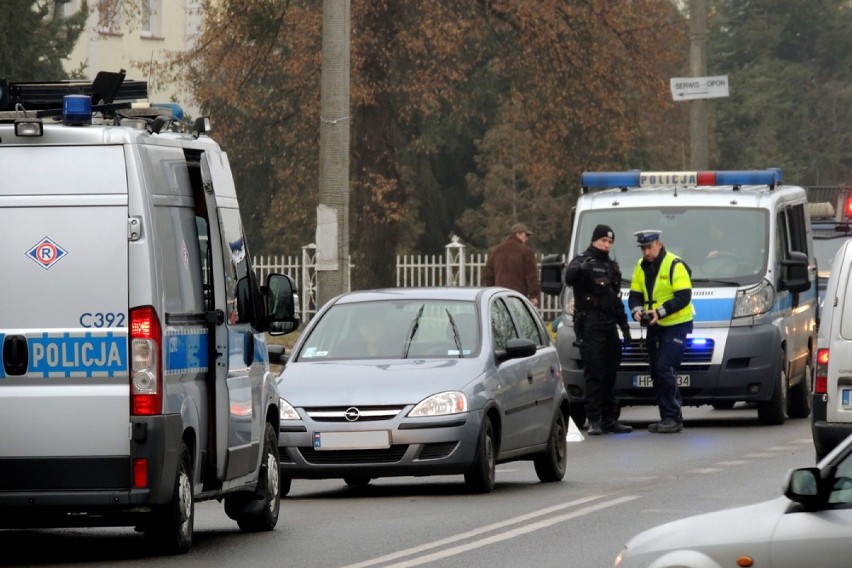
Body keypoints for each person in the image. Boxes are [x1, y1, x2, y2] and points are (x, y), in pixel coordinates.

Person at [563, 224, 633, 435]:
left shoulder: (611, 266)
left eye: (610, 242)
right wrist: (580, 269)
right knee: (594, 371)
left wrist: (625, 327)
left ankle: (610, 419)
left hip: (609, 323)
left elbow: (615, 299)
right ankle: (594, 419)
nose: (607, 245)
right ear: (595, 240)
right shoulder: (582, 260)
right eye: (603, 240)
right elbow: (569, 278)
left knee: (611, 371)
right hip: (589, 324)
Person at [628, 230, 694, 434]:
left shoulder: (675, 264)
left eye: (649, 247)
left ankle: (673, 417)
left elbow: (684, 296)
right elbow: (635, 295)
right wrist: (637, 311)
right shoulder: (640, 266)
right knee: (656, 371)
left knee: (666, 368)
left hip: (676, 324)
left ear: (659, 244)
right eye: (643, 248)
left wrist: (660, 312)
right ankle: (666, 417)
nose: (646, 252)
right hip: (654, 326)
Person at [483, 223, 541, 306]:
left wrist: (490, 293)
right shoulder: (527, 252)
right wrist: (533, 295)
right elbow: (531, 275)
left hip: (499, 296)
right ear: (518, 234)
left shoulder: (496, 251)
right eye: (525, 235)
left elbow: (487, 275)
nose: (527, 239)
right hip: (518, 296)